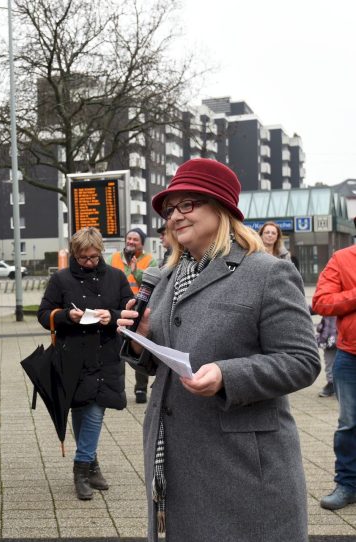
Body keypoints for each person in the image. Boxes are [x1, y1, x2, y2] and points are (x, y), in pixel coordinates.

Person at [118, 158, 319, 541]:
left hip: (242, 471)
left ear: (221, 207)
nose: (175, 216)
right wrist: (144, 340)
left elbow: (303, 361)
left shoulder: (266, 273)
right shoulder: (166, 277)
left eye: (187, 204)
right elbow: (163, 363)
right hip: (174, 460)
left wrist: (229, 376)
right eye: (169, 209)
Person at [37, 227, 133, 500]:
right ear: (75, 255)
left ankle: (81, 468)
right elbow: (44, 314)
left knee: (94, 409)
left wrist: (112, 315)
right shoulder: (61, 279)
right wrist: (68, 316)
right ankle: (90, 464)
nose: (88, 262)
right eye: (83, 258)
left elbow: (131, 311)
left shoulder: (116, 276)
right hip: (73, 358)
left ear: (101, 252)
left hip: (106, 356)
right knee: (81, 409)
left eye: (93, 257)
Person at [312, 232, 356, 511]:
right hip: (350, 356)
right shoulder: (342, 259)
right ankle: (348, 485)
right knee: (349, 423)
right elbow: (321, 302)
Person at [110, 228, 157, 404]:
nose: (131, 242)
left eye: (135, 240)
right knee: (117, 348)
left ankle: (140, 388)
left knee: (139, 345)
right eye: (129, 238)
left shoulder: (149, 260)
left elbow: (152, 285)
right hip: (118, 309)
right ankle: (117, 387)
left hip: (139, 310)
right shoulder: (113, 258)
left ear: (142, 244)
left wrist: (135, 270)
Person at [316, 315, 337, 397]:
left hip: (344, 336)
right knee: (329, 362)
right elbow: (316, 306)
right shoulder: (327, 303)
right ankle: (331, 384)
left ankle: (338, 385)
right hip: (328, 336)